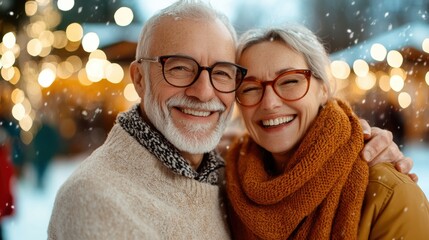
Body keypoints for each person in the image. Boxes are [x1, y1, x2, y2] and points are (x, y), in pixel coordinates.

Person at [48, 1, 415, 239]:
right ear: (140, 79)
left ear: (324, 89)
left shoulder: (230, 173)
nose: (204, 93)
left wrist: (365, 146)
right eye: (179, 68)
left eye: (221, 73)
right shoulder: (97, 200)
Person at [225, 24, 429, 239]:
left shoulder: (387, 193)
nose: (269, 103)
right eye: (250, 88)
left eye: (290, 81)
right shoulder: (227, 184)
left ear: (323, 88)